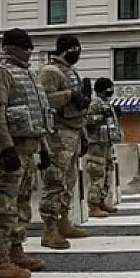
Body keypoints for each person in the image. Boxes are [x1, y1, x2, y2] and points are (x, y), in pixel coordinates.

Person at [0, 28, 53, 278]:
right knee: (2, 206)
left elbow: (37, 115)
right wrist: (5, 146)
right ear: (8, 47)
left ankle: (15, 249)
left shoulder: (29, 75)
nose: (29, 49)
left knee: (20, 204)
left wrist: (44, 149)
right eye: (23, 45)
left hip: (28, 149)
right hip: (10, 150)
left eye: (30, 45)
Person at [36, 34, 91, 249]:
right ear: (67, 49)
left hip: (73, 132)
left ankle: (63, 221)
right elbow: (43, 101)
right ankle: (49, 229)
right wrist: (68, 96)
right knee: (55, 181)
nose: (78, 53)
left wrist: (83, 134)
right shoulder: (50, 71)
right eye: (76, 49)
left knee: (68, 181)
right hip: (58, 134)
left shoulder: (69, 72)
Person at [84, 78, 122, 217]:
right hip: (96, 144)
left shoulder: (107, 103)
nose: (111, 91)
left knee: (107, 173)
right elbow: (87, 120)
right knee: (97, 174)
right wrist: (101, 117)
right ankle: (93, 205)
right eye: (109, 88)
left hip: (106, 143)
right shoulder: (94, 103)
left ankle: (101, 201)